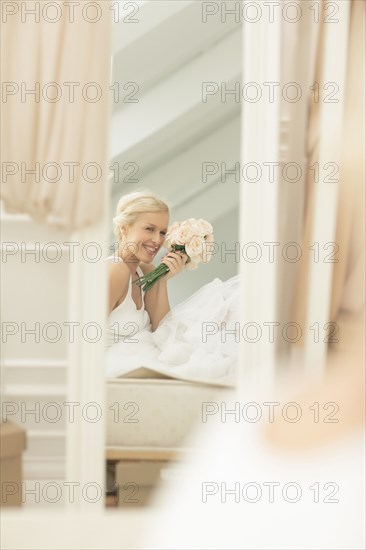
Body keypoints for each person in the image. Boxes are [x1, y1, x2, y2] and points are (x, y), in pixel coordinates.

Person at [105, 190, 240, 385]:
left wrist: (161, 280)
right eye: (149, 229)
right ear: (124, 228)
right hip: (113, 366)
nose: (158, 240)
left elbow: (163, 332)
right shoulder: (115, 269)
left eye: (162, 232)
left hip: (139, 360)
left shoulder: (146, 271)